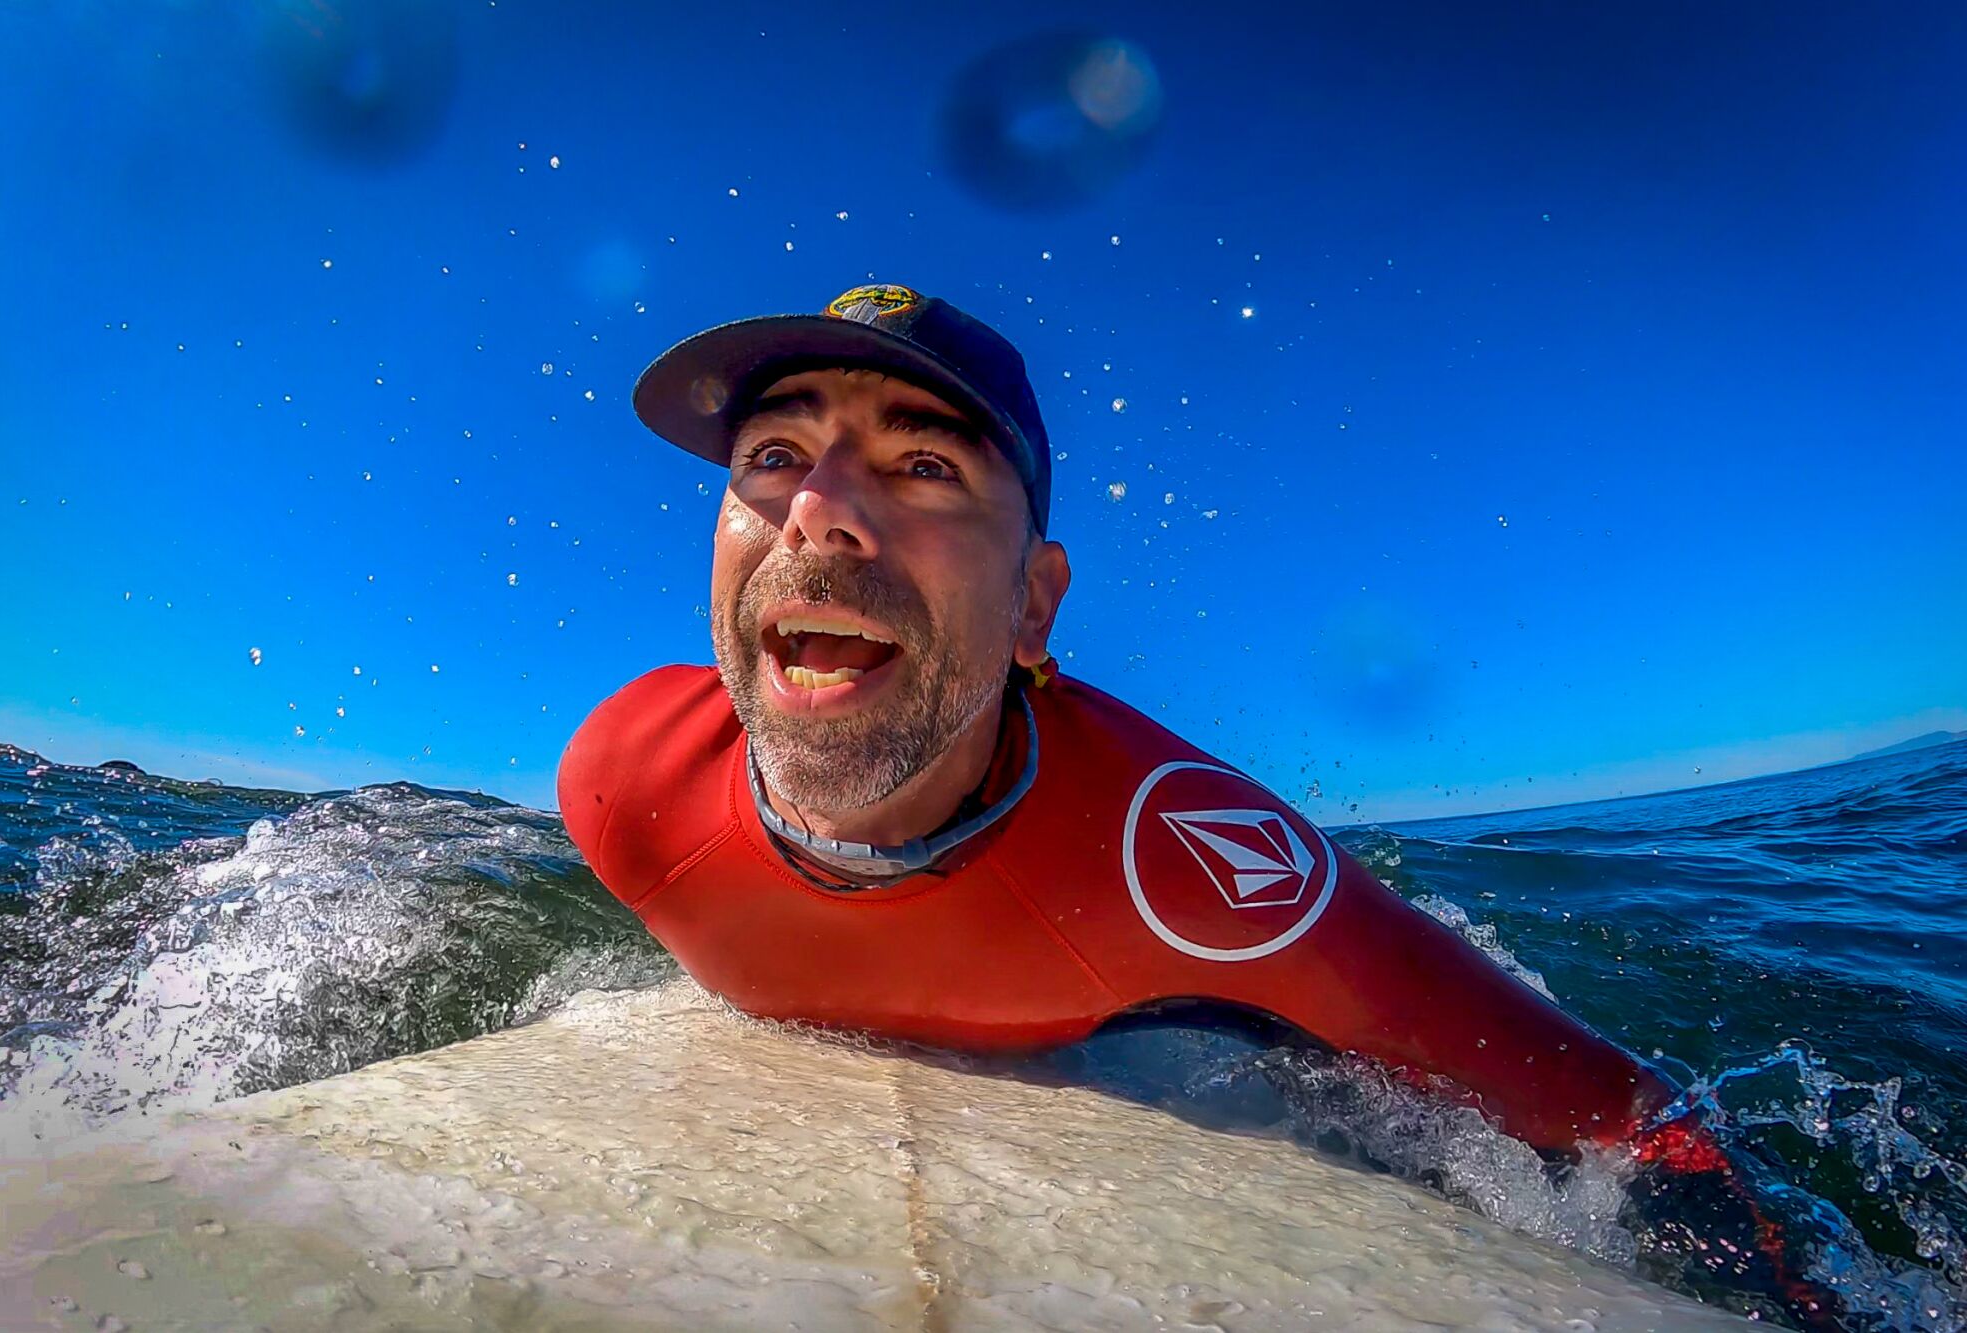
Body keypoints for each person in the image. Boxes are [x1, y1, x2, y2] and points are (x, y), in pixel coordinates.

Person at [561, 281, 1835, 1324]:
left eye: (927, 465)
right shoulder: (623, 782)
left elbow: (1634, 1128)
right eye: (772, 455)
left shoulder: (1184, 866)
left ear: (1032, 609)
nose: (820, 514)